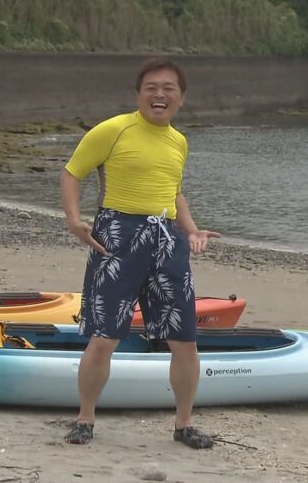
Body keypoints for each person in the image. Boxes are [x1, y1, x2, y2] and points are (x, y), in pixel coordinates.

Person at [60, 58, 221, 449]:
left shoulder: (179, 142)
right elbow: (72, 172)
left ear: (181, 98)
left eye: (168, 88)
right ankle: (85, 419)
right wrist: (74, 219)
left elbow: (174, 191)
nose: (159, 94)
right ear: (138, 95)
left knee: (184, 340)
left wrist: (192, 230)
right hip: (119, 234)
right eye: (151, 87)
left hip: (167, 239)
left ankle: (184, 425)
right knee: (104, 336)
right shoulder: (114, 130)